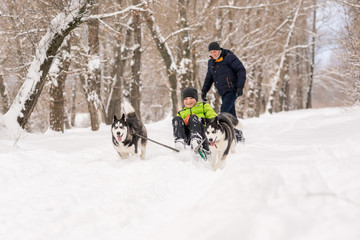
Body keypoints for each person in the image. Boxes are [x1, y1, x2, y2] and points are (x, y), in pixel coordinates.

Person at [201, 41, 246, 142]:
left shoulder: (229, 57)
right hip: (223, 92)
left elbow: (241, 70)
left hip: (232, 89)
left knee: (223, 111)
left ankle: (222, 135)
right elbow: (209, 78)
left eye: (215, 51)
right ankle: (238, 136)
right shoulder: (211, 62)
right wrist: (204, 90)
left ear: (219, 50)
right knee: (231, 114)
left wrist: (240, 87)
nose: (214, 54)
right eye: (211, 52)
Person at [172, 87, 217, 151]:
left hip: (203, 137)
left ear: (196, 98)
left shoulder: (204, 106)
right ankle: (180, 142)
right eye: (186, 99)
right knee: (176, 119)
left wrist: (200, 120)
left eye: (191, 98)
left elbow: (214, 120)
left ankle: (196, 140)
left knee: (193, 118)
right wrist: (185, 123)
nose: (188, 101)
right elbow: (176, 131)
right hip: (188, 138)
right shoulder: (180, 113)